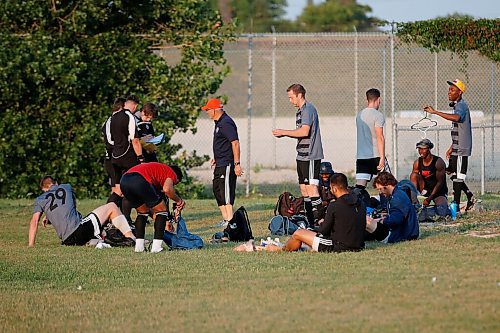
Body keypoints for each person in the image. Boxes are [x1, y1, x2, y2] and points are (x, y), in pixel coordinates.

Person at [261, 173, 365, 253]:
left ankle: (281, 249)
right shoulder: (360, 202)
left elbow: (324, 231)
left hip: (338, 246)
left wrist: (317, 227)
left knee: (298, 233)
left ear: (334, 188)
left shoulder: (335, 205)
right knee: (306, 234)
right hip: (359, 244)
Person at [28, 176, 135, 247]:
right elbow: (70, 207)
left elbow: (34, 221)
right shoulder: (66, 187)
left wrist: (31, 245)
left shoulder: (40, 199)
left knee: (90, 224)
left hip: (67, 241)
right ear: (55, 183)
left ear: (45, 189)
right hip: (79, 231)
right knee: (112, 206)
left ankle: (100, 238)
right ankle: (131, 238)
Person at [272, 84, 324, 227]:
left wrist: (284, 132)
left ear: (299, 95)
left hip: (311, 155)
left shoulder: (308, 110)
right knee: (304, 189)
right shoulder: (300, 111)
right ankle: (310, 222)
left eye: (291, 97)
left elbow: (304, 132)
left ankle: (321, 220)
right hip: (301, 155)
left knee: (312, 188)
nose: (290, 100)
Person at [424, 79, 476, 211]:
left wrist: (435, 112)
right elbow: (459, 130)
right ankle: (470, 196)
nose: (449, 92)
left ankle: (456, 206)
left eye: (453, 90)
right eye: (449, 90)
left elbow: (456, 118)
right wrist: (452, 146)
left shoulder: (461, 106)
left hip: (462, 149)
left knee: (459, 177)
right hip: (456, 147)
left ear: (460, 92)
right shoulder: (457, 105)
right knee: (451, 172)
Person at [120, 162, 185, 253]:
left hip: (124, 180)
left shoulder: (158, 172)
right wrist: (179, 201)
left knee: (142, 212)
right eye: (175, 183)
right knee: (162, 211)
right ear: (177, 177)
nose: (173, 185)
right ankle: (156, 248)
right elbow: (167, 190)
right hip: (139, 179)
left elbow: (152, 208)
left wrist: (162, 219)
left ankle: (139, 248)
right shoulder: (171, 173)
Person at [201, 98, 243, 228]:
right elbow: (222, 143)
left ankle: (231, 222)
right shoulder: (218, 123)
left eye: (208, 110)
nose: (207, 112)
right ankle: (225, 219)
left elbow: (235, 143)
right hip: (220, 162)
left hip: (227, 164)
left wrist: (237, 164)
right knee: (217, 190)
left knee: (226, 191)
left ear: (214, 110)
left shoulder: (226, 123)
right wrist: (216, 158)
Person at [110, 94, 144, 222]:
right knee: (129, 188)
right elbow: (135, 140)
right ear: (133, 105)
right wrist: (140, 158)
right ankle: (126, 219)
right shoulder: (130, 116)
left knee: (118, 191)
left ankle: (107, 218)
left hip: (115, 157)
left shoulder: (113, 117)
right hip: (127, 157)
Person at [366, 172, 419, 243]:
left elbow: (396, 220)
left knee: (365, 220)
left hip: (400, 235)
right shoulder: (398, 193)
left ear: (386, 185)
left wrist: (381, 220)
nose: (380, 192)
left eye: (380, 189)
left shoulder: (397, 198)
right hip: (407, 232)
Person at [355, 88, 386, 194]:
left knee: (360, 186)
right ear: (378, 99)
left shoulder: (359, 115)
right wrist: (382, 157)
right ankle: (385, 207)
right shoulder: (378, 115)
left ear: (367, 100)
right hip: (375, 155)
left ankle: (356, 206)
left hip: (361, 156)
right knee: (384, 184)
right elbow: (379, 137)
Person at [410, 138, 449, 216]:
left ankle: (427, 212)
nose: (420, 151)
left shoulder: (438, 162)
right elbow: (413, 179)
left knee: (442, 211)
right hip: (425, 189)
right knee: (414, 175)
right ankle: (415, 204)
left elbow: (440, 183)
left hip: (438, 191)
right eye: (419, 149)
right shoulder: (417, 162)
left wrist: (429, 198)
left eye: (423, 149)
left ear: (429, 149)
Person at [102, 97, 126, 206]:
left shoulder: (118, 120)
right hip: (112, 159)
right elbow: (110, 141)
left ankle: (116, 217)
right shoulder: (110, 121)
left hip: (117, 157)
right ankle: (107, 216)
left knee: (117, 190)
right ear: (121, 108)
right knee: (118, 190)